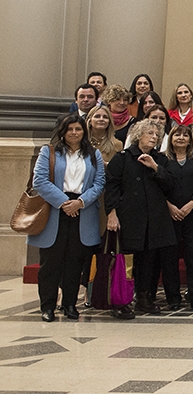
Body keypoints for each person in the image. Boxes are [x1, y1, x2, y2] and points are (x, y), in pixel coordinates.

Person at [28, 114, 106, 322]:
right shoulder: (49, 152)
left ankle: (70, 304)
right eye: (69, 129)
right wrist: (64, 203)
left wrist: (79, 203)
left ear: (84, 132)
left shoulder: (93, 154)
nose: (74, 133)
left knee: (75, 262)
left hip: (83, 209)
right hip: (55, 209)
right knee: (50, 263)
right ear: (62, 132)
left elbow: (99, 184)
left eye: (78, 129)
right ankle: (48, 306)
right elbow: (40, 181)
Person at [106, 119, 176, 315]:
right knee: (127, 261)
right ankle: (122, 300)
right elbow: (112, 187)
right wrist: (111, 213)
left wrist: (155, 168)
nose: (154, 137)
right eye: (150, 133)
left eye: (157, 135)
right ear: (138, 136)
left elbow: (171, 186)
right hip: (129, 219)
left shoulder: (161, 160)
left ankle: (144, 298)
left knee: (149, 261)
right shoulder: (122, 158)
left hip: (154, 220)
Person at [161, 124, 193, 311]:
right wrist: (171, 207)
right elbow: (157, 187)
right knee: (169, 257)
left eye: (185, 135)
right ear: (171, 139)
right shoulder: (163, 161)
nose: (181, 138)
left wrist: (190, 206)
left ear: (190, 139)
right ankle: (173, 298)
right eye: (177, 135)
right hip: (169, 215)